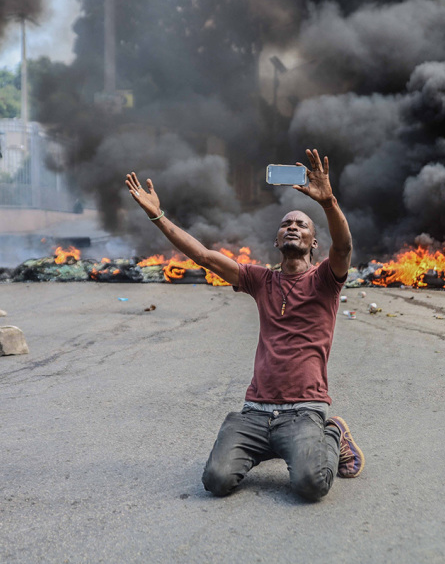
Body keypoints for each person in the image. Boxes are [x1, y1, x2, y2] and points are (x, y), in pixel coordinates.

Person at [125, 149, 364, 501]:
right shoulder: (259, 279)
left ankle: (332, 433)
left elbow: (343, 247)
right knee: (216, 481)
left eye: (301, 224)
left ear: (314, 244)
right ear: (276, 240)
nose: (293, 227)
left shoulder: (326, 280)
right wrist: (158, 216)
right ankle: (266, 446)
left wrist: (328, 203)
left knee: (311, 485)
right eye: (286, 224)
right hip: (256, 412)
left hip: (304, 411)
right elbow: (204, 257)